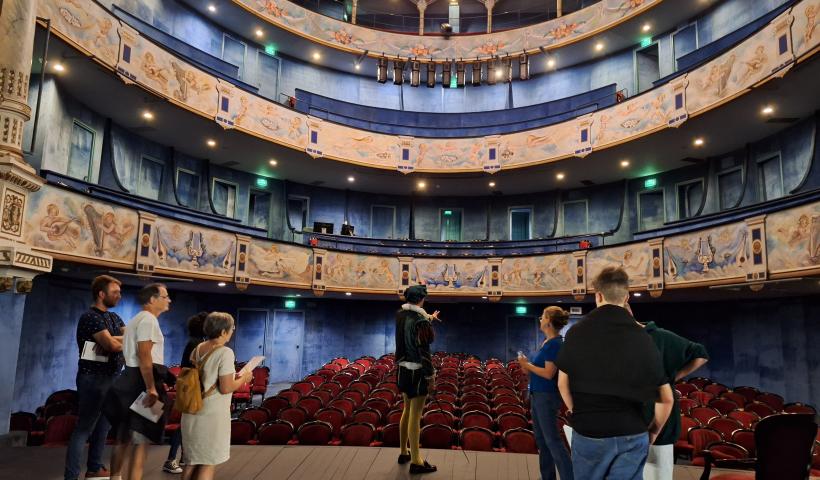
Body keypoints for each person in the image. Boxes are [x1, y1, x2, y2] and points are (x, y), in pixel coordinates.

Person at [555, 267, 674, 480]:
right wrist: (653, 432)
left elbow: (562, 384)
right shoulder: (643, 336)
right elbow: (666, 399)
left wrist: (578, 411)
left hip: (589, 431)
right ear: (627, 296)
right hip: (632, 432)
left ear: (598, 295)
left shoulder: (576, 332)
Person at [624, 304, 709, 480]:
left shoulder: (660, 336)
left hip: (658, 414)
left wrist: (674, 377)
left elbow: (700, 353)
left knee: (660, 472)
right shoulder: (622, 339)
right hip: (632, 417)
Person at [104, 283, 172, 480]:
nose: (169, 300)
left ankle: (115, 477)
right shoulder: (149, 320)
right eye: (165, 296)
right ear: (152, 299)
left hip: (130, 380)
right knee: (141, 442)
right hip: (143, 382)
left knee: (123, 439)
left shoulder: (135, 320)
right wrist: (152, 388)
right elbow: (145, 355)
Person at [65, 275, 126, 480]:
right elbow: (111, 346)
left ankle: (94, 467)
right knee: (84, 428)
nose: (119, 295)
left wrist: (114, 339)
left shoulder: (115, 318)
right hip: (93, 379)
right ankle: (71, 476)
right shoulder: (90, 317)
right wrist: (115, 340)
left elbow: (132, 339)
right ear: (101, 294)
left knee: (104, 427)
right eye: (114, 292)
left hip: (112, 377)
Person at [181, 312, 253, 480]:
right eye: (232, 328)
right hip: (211, 414)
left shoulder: (197, 348)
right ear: (222, 332)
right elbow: (227, 387)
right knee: (207, 462)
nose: (232, 331)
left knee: (191, 461)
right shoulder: (225, 353)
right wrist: (244, 378)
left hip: (192, 409)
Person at [518, 306, 574, 480]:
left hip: (547, 397)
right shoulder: (547, 343)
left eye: (542, 316)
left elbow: (549, 373)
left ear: (549, 321)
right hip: (538, 395)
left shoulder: (555, 344)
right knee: (542, 441)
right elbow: (538, 370)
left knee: (552, 441)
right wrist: (527, 366)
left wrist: (527, 365)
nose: (540, 319)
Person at [395, 284, 439, 474]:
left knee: (406, 409)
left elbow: (414, 322)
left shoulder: (400, 315)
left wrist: (430, 318)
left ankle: (404, 452)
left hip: (402, 370)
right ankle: (417, 461)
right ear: (421, 299)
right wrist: (431, 376)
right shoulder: (421, 321)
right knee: (415, 414)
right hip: (418, 371)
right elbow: (424, 351)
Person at [163, 312, 209, 475]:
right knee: (184, 425)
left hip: (190, 386)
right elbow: (195, 368)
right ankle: (170, 460)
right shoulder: (196, 344)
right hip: (191, 387)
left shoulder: (197, 342)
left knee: (187, 424)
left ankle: (184, 457)